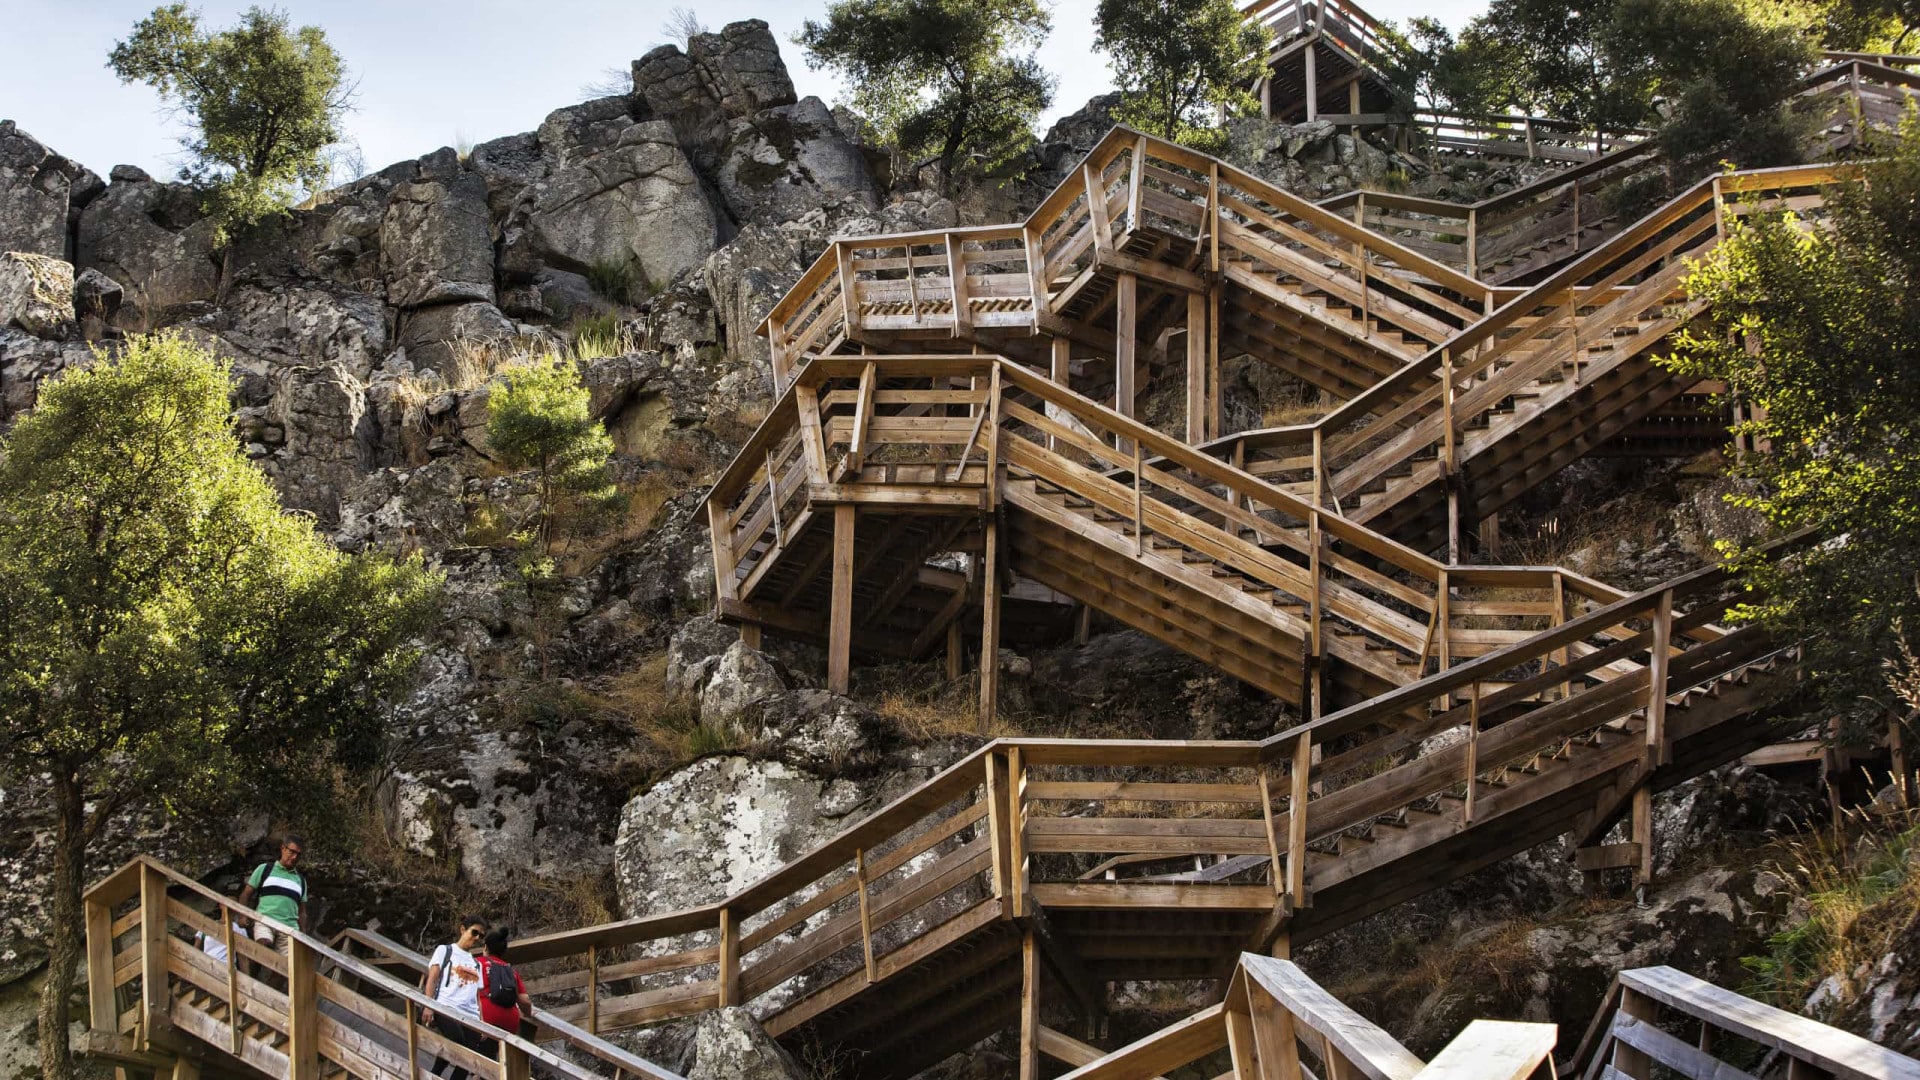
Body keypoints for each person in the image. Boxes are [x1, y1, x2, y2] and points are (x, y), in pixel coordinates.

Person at [421, 914, 489, 1080]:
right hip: (446, 1007)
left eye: (481, 935)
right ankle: (434, 1075)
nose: (477, 938)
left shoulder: (476, 963)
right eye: (475, 932)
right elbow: (432, 979)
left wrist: (482, 1022)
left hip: (471, 1016)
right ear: (462, 930)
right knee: (458, 1045)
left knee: (468, 1060)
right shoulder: (445, 951)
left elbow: (477, 996)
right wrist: (428, 1005)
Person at [237, 835, 309, 963]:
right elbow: (246, 894)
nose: (294, 857)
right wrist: (242, 915)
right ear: (283, 848)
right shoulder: (265, 869)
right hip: (265, 920)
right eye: (291, 852)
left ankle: (270, 984)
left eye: (298, 854)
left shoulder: (301, 880)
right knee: (263, 946)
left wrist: (303, 934)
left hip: (290, 928)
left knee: (287, 968)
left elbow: (302, 911)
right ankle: (252, 980)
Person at [475, 928, 535, 1055]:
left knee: (480, 1057)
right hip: (510, 1023)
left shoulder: (476, 963)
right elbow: (525, 1001)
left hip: (485, 1018)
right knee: (493, 1057)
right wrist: (528, 1014)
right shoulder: (510, 971)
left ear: (485, 947)